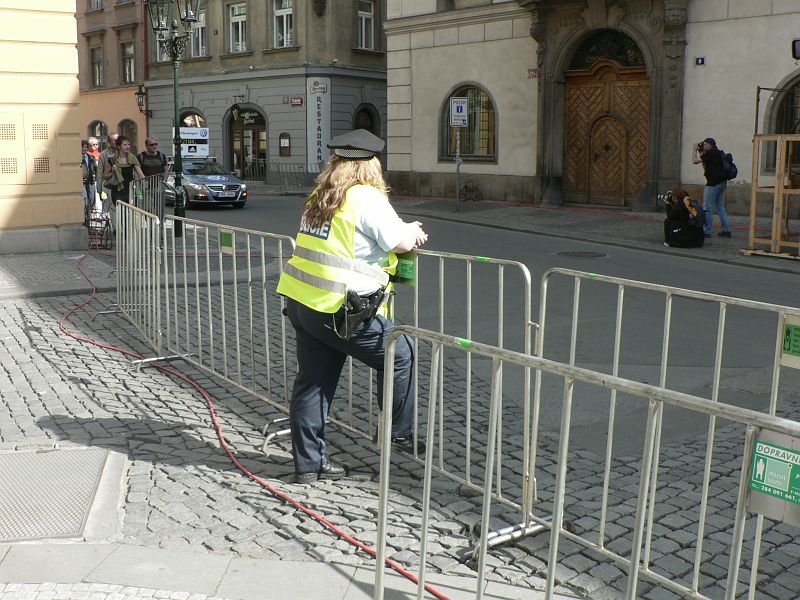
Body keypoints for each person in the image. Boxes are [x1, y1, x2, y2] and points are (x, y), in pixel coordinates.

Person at [276, 129, 428, 484]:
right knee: (400, 351)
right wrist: (413, 231)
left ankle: (309, 465)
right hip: (338, 309)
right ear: (371, 165)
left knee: (313, 383)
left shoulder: (321, 195)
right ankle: (398, 433)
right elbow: (400, 240)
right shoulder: (366, 197)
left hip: (303, 303)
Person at [692, 137, 732, 238]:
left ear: (710, 145)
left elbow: (695, 161)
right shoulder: (718, 152)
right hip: (722, 183)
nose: (703, 146)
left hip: (713, 184)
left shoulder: (711, 153)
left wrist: (694, 150)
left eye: (705, 144)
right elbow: (705, 165)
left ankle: (707, 231)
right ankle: (727, 230)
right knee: (720, 207)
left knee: (707, 208)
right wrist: (701, 151)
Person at [102, 135, 144, 206]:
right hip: (117, 190)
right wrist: (113, 172)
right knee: (121, 213)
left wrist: (144, 186)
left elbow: (141, 175)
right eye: (124, 145)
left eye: (128, 144)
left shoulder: (132, 158)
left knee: (130, 213)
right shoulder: (112, 160)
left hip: (130, 190)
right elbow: (105, 176)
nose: (127, 146)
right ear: (119, 146)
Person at [80, 140, 97, 226]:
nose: (84, 148)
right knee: (85, 201)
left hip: (90, 182)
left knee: (91, 200)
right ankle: (84, 221)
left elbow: (95, 169)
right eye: (82, 147)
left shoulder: (91, 157)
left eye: (85, 147)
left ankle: (88, 221)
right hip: (81, 183)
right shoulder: (77, 158)